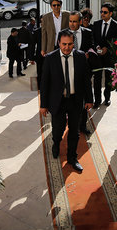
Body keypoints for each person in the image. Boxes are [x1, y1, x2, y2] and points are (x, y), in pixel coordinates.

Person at [40, 29, 93, 172]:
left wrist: (89, 99)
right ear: (58, 43)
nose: (67, 47)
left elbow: (86, 80)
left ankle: (72, 157)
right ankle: (56, 143)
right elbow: (44, 83)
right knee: (58, 129)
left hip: (76, 100)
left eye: (70, 44)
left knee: (74, 131)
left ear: (73, 44)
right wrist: (43, 105)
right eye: (64, 44)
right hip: (58, 101)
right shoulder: (50, 58)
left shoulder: (81, 57)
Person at [67, 11, 94, 135]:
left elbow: (91, 46)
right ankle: (70, 123)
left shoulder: (87, 32)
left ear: (80, 21)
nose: (72, 24)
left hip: (83, 72)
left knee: (83, 99)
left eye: (75, 21)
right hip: (68, 71)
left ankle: (82, 125)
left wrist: (89, 52)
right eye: (70, 21)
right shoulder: (64, 34)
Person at [91, 2, 117, 108]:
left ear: (110, 13)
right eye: (101, 12)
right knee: (97, 79)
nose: (102, 14)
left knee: (109, 79)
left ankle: (107, 98)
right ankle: (97, 100)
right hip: (98, 56)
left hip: (109, 57)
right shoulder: (96, 24)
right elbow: (93, 39)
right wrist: (97, 48)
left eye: (105, 12)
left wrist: (107, 48)